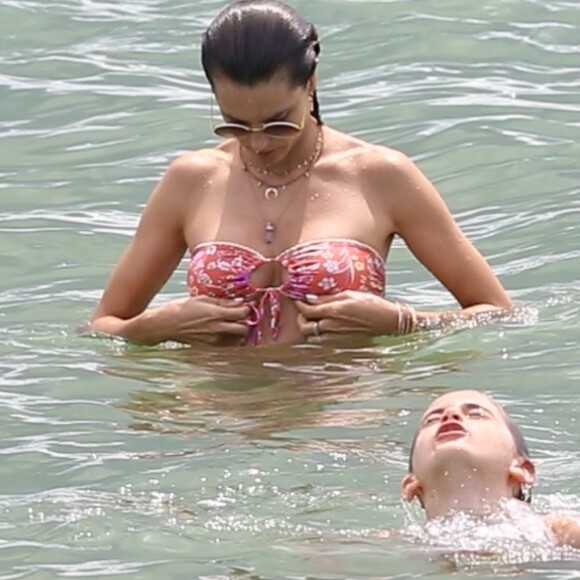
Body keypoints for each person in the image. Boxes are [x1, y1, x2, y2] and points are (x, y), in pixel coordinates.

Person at [88, 0, 512, 348]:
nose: (258, 143)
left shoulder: (381, 175)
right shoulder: (191, 180)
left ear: (311, 83)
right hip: (214, 429)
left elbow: (498, 314)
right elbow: (103, 325)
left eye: (278, 123)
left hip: (340, 425)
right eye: (234, 124)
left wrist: (406, 322)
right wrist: (153, 329)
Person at [402, 389, 580, 549]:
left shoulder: (555, 532)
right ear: (410, 484)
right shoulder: (400, 543)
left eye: (476, 414)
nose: (450, 414)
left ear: (522, 469)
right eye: (431, 420)